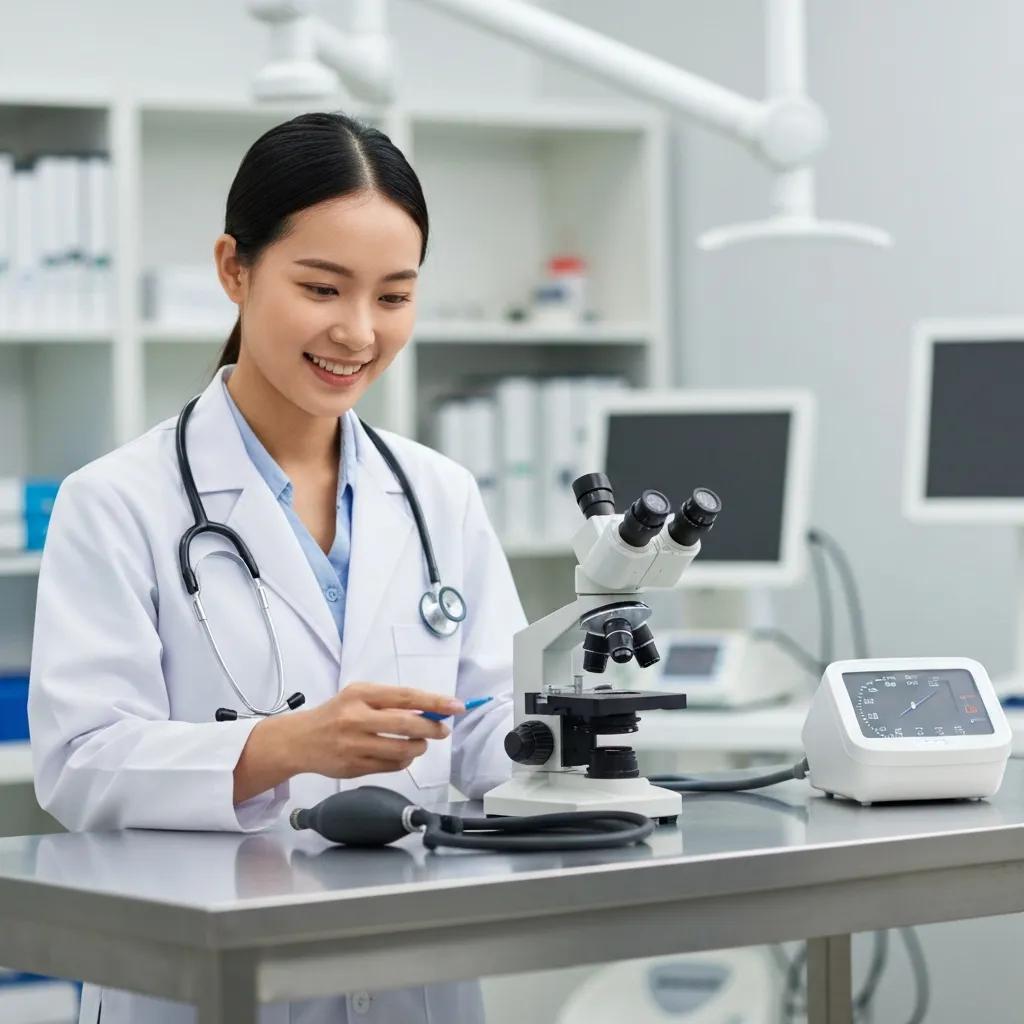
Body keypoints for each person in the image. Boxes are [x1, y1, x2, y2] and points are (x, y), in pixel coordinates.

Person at [28, 111, 526, 1024]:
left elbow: (486, 720)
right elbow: (78, 766)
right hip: (203, 980)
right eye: (323, 287)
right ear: (235, 269)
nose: (358, 332)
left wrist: (568, 747)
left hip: (408, 966)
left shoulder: (437, 494)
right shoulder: (117, 501)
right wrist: (282, 747)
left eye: (393, 296)